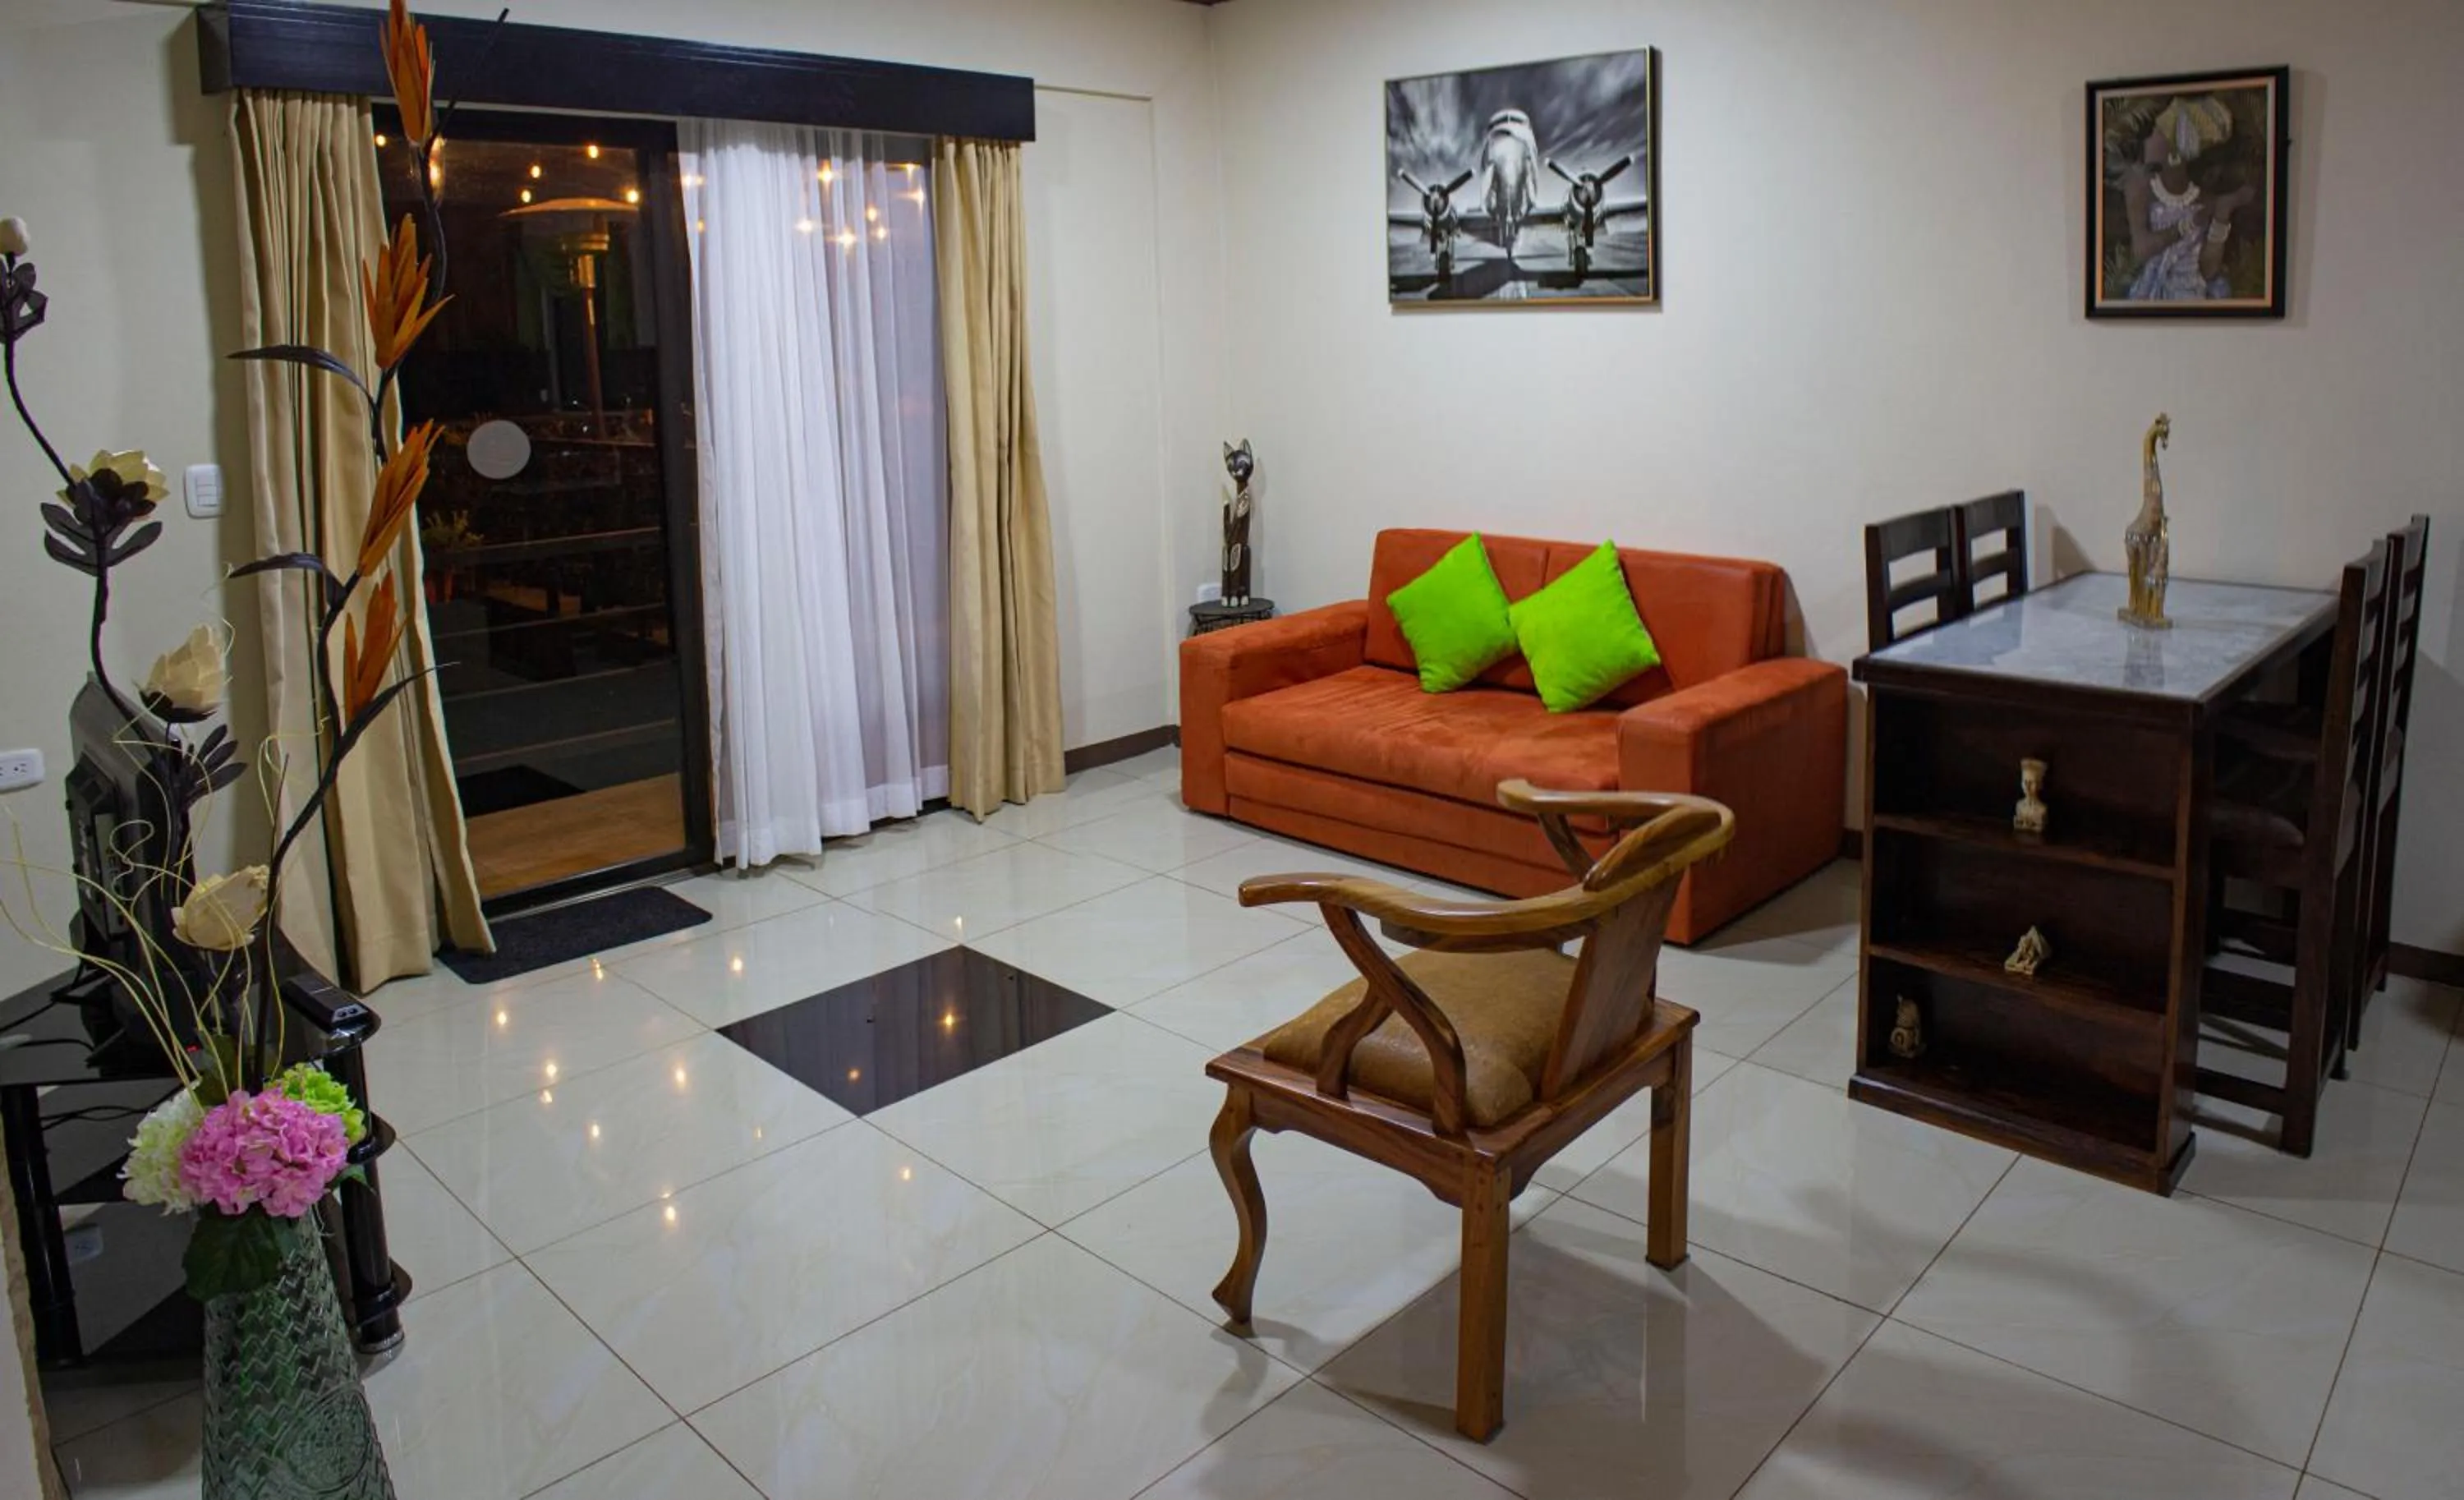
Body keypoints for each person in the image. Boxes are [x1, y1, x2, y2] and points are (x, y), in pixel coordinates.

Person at [2117, 95, 2258, 301]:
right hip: (2152, 292)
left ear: (2175, 152)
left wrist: (2223, 212)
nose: (2148, 140)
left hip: (2192, 295)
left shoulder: (2204, 197)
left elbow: (2208, 270)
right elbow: (2141, 249)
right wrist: (2187, 225)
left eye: (2157, 133)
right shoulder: (2139, 185)